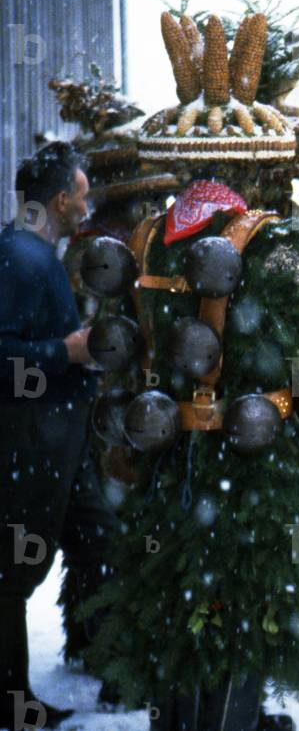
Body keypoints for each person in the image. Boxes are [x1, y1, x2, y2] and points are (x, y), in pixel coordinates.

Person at [1, 141, 117, 730]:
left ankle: (106, 657)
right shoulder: (21, 256)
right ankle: (14, 702)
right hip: (32, 445)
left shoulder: (37, 252)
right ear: (58, 199)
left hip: (61, 445)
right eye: (81, 191)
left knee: (98, 535)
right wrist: (65, 351)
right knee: (12, 575)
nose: (86, 200)